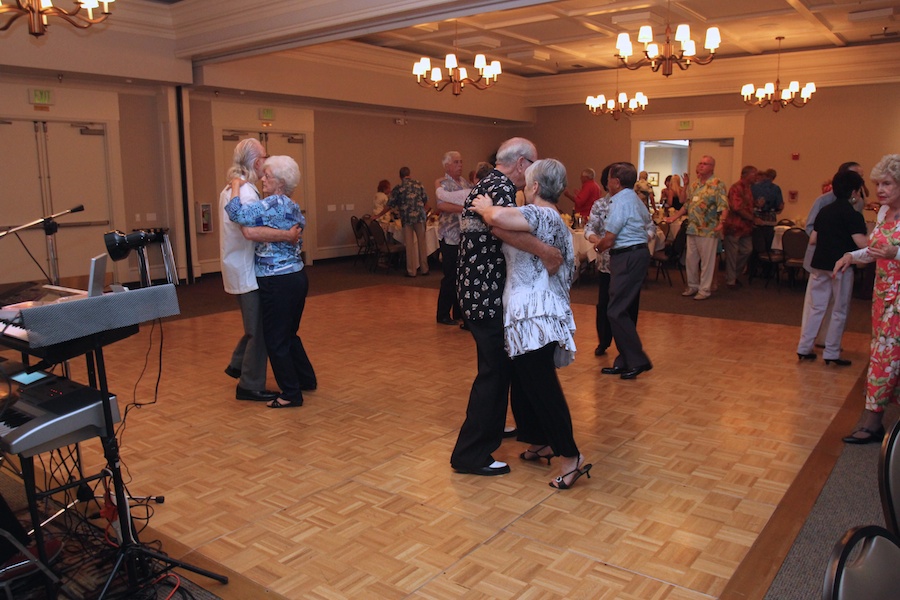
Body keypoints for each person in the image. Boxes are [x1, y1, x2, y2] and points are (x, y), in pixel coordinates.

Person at [470, 158, 591, 489]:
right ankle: (543, 441)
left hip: (535, 317)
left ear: (536, 187)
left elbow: (497, 218)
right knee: (527, 385)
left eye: (526, 182)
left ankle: (571, 458)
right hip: (529, 314)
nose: (522, 185)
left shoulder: (542, 214)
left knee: (542, 389)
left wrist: (484, 205)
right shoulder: (551, 219)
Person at [450, 137, 562, 477]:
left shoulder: (489, 184)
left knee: (509, 367)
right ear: (521, 164)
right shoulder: (498, 188)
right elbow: (500, 229)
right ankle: (471, 454)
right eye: (534, 164)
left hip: (478, 292)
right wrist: (546, 251)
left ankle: (528, 434)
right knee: (495, 374)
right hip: (485, 296)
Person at [225, 155, 316, 408]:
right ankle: (306, 380)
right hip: (297, 277)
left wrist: (235, 184)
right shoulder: (293, 206)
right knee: (289, 334)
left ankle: (290, 394)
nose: (262, 179)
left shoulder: (271, 204)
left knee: (275, 340)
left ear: (281, 182)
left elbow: (236, 212)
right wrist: (285, 236)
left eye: (268, 176)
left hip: (277, 281)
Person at [219, 138, 298, 402]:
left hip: (238, 266)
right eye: (265, 156)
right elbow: (250, 231)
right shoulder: (247, 192)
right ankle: (249, 385)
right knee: (259, 330)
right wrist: (287, 235)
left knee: (255, 326)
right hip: (246, 270)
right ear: (256, 162)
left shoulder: (233, 189)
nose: (267, 161)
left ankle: (238, 364)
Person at [835, 154, 900, 444]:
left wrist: (895, 254)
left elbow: (890, 252)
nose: (880, 190)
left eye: (887, 183)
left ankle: (873, 423)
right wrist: (851, 256)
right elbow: (875, 250)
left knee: (886, 358)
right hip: (883, 296)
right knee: (884, 356)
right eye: (877, 184)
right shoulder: (885, 211)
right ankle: (876, 424)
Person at [796, 169, 868, 364]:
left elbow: (812, 240)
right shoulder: (853, 215)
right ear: (854, 191)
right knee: (839, 309)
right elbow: (862, 244)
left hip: (819, 264)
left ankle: (804, 347)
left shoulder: (824, 211)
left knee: (816, 307)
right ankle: (832, 352)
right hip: (841, 267)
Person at [594, 162, 654, 380]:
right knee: (619, 309)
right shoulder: (635, 199)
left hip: (627, 256)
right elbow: (648, 224)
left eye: (608, 179)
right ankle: (624, 360)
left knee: (615, 310)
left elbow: (610, 238)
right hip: (633, 255)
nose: (606, 182)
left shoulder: (620, 201)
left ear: (616, 182)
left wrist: (598, 246)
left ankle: (638, 360)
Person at [667, 155, 729, 301]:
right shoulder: (695, 185)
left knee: (707, 262)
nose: (701, 166)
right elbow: (687, 205)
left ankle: (705, 289)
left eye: (705, 164)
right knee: (690, 260)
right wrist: (674, 217)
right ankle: (692, 285)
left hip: (708, 229)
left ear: (712, 167)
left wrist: (722, 222)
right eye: (700, 163)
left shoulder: (717, 184)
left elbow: (723, 205)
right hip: (692, 228)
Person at [434, 151, 470, 326]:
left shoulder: (464, 182)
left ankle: (458, 312)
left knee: (461, 275)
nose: (460, 165)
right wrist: (463, 209)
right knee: (450, 275)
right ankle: (442, 314)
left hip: (463, 235)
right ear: (447, 165)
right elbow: (441, 206)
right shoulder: (443, 184)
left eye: (461, 161)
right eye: (456, 162)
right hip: (449, 235)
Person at [374, 167, 430, 277]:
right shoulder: (419, 184)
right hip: (420, 217)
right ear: (409, 174)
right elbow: (425, 201)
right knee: (422, 243)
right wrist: (423, 212)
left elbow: (389, 206)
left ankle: (411, 271)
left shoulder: (398, 188)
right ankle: (425, 269)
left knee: (409, 245)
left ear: (400, 176)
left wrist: (378, 215)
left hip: (407, 219)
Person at [723, 165, 758, 290]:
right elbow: (736, 207)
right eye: (754, 175)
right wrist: (752, 218)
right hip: (734, 226)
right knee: (732, 254)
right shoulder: (736, 188)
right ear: (746, 175)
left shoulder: (749, 189)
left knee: (747, 250)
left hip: (745, 228)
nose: (756, 177)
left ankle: (734, 274)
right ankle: (731, 280)